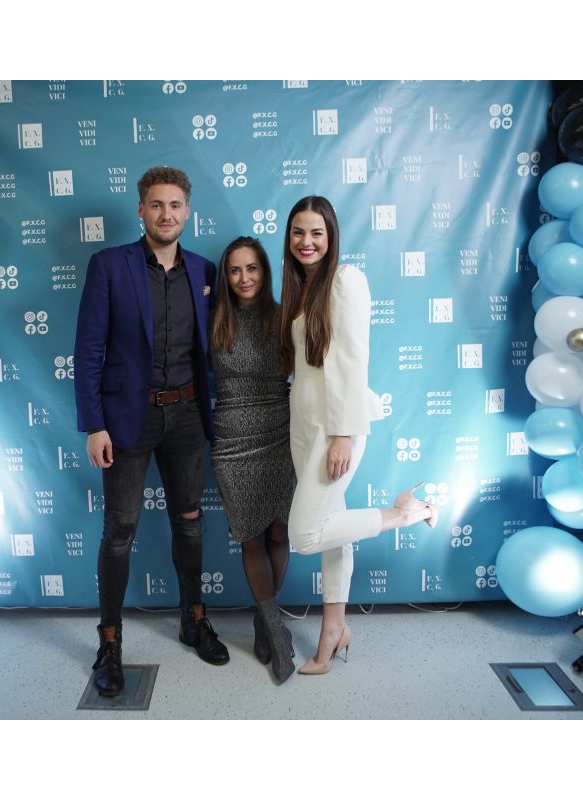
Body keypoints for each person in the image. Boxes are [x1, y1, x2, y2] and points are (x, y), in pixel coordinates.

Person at [74, 166, 229, 698]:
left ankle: (193, 620)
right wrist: (94, 424)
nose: (167, 214)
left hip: (187, 415)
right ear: (140, 210)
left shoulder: (204, 270)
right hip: (126, 420)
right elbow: (88, 351)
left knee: (189, 522)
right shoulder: (108, 265)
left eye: (175, 205)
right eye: (157, 205)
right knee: (119, 531)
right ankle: (109, 644)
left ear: (188, 212)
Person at [278, 196, 438, 675]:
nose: (307, 242)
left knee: (305, 534)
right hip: (303, 417)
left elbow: (351, 360)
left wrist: (344, 434)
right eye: (298, 232)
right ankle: (334, 630)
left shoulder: (344, 280)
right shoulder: (299, 287)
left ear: (331, 237)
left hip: (335, 422)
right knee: (333, 531)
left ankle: (407, 513)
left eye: (317, 233)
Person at [210, 236, 297, 683]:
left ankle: (266, 621)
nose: (244, 278)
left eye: (252, 268)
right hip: (232, 440)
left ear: (265, 271)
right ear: (225, 277)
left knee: (280, 531)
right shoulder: (212, 319)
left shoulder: (285, 318)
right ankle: (278, 636)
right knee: (250, 539)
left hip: (281, 433)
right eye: (235, 270)